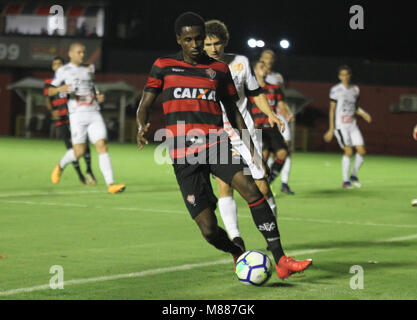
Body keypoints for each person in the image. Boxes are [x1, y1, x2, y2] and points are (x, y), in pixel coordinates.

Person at [136, 11, 312, 280]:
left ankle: (281, 259)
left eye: (199, 39)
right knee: (208, 229)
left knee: (251, 188)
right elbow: (145, 104)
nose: (195, 45)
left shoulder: (219, 70)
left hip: (216, 144)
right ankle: (235, 250)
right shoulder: (163, 66)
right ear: (179, 40)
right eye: (189, 40)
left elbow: (234, 112)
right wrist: (142, 126)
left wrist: (252, 150)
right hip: (183, 154)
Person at [204, 19, 285, 250]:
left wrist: (270, 113)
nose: (213, 49)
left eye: (217, 43)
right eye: (208, 44)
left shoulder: (240, 62)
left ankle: (272, 236)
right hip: (217, 134)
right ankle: (237, 241)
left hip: (245, 130)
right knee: (224, 185)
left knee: (262, 186)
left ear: (225, 42)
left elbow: (255, 91)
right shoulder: (198, 68)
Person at [49, 42, 126, 194]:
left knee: (102, 145)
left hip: (93, 112)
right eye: (79, 52)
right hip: (77, 115)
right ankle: (61, 165)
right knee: (79, 151)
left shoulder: (89, 68)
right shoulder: (63, 70)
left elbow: (92, 86)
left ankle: (111, 184)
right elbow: (49, 90)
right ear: (70, 54)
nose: (82, 55)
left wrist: (98, 96)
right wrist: (59, 89)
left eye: (83, 52)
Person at [44, 56, 97, 186]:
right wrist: (52, 111)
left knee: (83, 145)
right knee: (71, 149)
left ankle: (89, 170)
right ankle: (81, 176)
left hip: (73, 117)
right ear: (52, 67)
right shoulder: (49, 82)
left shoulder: (70, 79)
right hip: (61, 120)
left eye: (59, 64)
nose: (57, 66)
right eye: (55, 64)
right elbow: (47, 98)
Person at [324, 65, 372, 188]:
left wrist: (363, 114)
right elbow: (332, 110)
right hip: (341, 127)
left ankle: (354, 175)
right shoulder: (335, 90)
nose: (345, 77)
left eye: (347, 74)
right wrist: (331, 128)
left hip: (353, 125)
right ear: (339, 77)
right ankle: (345, 181)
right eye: (342, 75)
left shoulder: (355, 89)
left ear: (350, 76)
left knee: (362, 151)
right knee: (349, 151)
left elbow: (354, 107)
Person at [259, 49, 294, 194]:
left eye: (271, 58)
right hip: (261, 119)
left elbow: (281, 97)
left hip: (278, 115)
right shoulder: (254, 75)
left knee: (285, 150)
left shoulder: (277, 77)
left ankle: (283, 183)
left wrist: (286, 112)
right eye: (266, 57)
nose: (269, 60)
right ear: (261, 59)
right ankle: (262, 182)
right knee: (264, 154)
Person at [249, 60, 289, 186]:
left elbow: (281, 105)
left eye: (266, 67)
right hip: (256, 128)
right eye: (261, 66)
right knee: (262, 157)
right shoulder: (248, 89)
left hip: (271, 127)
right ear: (254, 70)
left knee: (283, 153)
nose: (265, 69)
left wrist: (287, 113)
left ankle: (268, 181)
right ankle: (254, 185)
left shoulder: (275, 88)